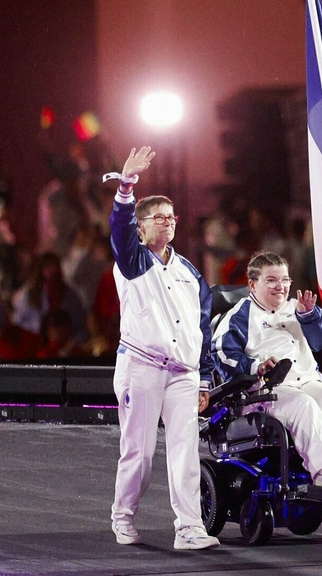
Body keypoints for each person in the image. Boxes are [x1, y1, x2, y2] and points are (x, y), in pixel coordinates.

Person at [105, 146, 219, 550]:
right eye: (159, 217)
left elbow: (201, 327)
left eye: (172, 217)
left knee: (185, 453)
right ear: (140, 226)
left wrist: (204, 378)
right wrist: (127, 186)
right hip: (142, 366)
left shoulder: (189, 271)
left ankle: (190, 528)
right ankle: (122, 516)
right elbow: (118, 232)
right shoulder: (132, 261)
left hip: (184, 374)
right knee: (140, 453)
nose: (168, 223)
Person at [213, 251, 322, 489]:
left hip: (306, 381)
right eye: (271, 280)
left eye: (285, 280)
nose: (280, 287)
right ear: (252, 284)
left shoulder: (299, 308)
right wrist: (256, 366)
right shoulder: (239, 316)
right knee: (304, 405)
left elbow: (321, 339)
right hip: (264, 390)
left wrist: (309, 317)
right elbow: (223, 356)